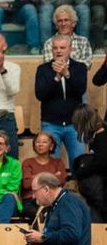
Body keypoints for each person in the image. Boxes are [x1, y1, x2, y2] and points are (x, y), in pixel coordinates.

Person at [36, 35, 88, 165]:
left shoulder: (80, 67)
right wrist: (57, 78)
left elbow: (80, 90)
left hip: (75, 124)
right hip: (50, 124)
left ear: (70, 50)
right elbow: (40, 95)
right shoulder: (43, 69)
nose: (58, 51)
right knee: (51, 165)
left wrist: (67, 74)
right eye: (55, 48)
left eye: (62, 48)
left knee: (79, 163)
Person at [21, 131, 67, 220]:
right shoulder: (28, 162)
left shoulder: (58, 162)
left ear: (51, 146)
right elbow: (26, 184)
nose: (40, 144)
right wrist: (52, 176)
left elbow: (61, 181)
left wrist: (35, 177)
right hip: (32, 199)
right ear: (34, 145)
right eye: (37, 142)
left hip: (52, 199)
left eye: (44, 142)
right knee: (31, 210)